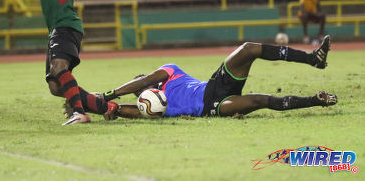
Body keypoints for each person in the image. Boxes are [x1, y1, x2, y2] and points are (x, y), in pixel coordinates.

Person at [86, 35, 336, 120]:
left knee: (249, 48)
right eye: (140, 92)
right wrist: (107, 106)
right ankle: (316, 100)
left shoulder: (170, 71)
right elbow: (123, 111)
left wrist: (110, 93)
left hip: (215, 86)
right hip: (213, 108)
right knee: (260, 100)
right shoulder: (153, 107)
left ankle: (313, 58)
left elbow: (142, 81)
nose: (143, 87)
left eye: (144, 83)